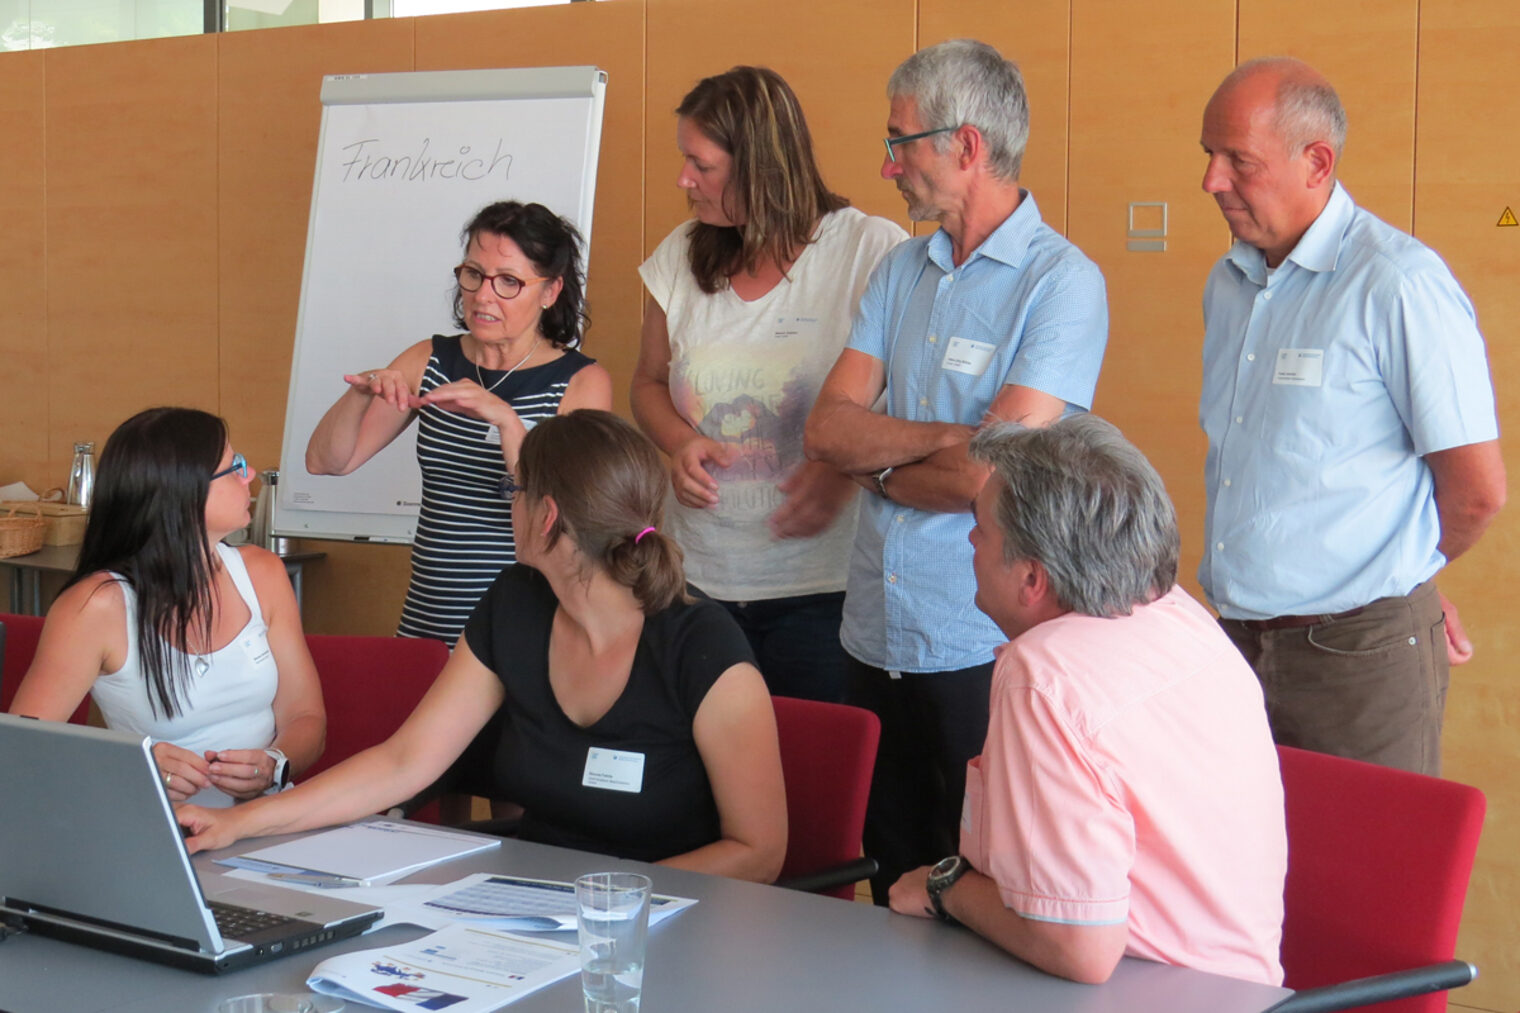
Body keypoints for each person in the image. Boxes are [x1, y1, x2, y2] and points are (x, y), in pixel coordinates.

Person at [180, 410, 788, 882]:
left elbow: (759, 853)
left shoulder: (701, 644)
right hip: (526, 908)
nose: (508, 504)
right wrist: (239, 824)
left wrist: (605, 906)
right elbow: (405, 762)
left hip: (665, 924)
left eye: (513, 490)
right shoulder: (517, 601)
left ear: (546, 516)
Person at [803, 39, 1107, 903]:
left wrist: (887, 461)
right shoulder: (901, 268)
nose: (888, 163)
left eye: (902, 141)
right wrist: (949, 436)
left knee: (980, 885)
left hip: (979, 636)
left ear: (966, 145)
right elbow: (827, 430)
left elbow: (989, 477)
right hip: (872, 629)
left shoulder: (1061, 284)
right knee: (885, 876)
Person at [889, 415, 1286, 987]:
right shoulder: (1178, 614)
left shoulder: (1045, 673)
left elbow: (1078, 950)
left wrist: (943, 887)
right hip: (1240, 988)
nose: (970, 540)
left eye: (981, 527)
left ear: (1032, 579)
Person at [1198, 58, 1505, 774]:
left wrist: (1404, 580)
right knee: (1245, 878)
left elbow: (1477, 491)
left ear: (1317, 161)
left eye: (1237, 160)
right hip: (1239, 644)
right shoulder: (1230, 282)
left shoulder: (1397, 284)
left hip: (1357, 661)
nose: (1211, 181)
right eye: (1209, 156)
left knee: (1367, 877)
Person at [630, 66, 906, 703]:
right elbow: (647, 381)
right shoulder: (680, 254)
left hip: (823, 589)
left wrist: (839, 473)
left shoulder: (868, 249)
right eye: (683, 161)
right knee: (698, 781)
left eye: (701, 164)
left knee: (812, 782)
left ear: (758, 164)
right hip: (697, 582)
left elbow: (901, 403)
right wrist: (678, 441)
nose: (683, 180)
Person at [306, 200, 613, 645]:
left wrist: (508, 422)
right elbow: (325, 462)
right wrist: (359, 394)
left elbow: (573, 518)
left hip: (526, 632)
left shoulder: (580, 382)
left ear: (550, 291)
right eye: (474, 274)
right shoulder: (431, 359)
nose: (483, 295)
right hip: (428, 622)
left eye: (509, 281)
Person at [8, 407, 326, 808]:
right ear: (184, 491)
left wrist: (276, 764)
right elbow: (21, 753)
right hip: (161, 829)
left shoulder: (262, 572)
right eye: (235, 467)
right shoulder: (97, 606)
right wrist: (132, 766)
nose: (251, 476)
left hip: (264, 819)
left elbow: (306, 716)